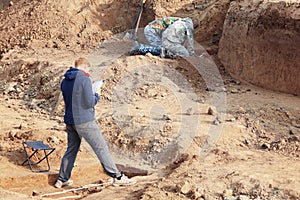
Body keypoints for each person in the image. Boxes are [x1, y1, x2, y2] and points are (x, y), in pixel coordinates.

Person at [54, 57, 136, 188]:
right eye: (89, 70)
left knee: (71, 149)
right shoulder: (84, 79)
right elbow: (89, 102)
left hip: (70, 121)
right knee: (101, 148)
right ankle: (118, 177)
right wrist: (97, 94)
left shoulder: (65, 81)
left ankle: (62, 179)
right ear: (85, 67)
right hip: (85, 121)